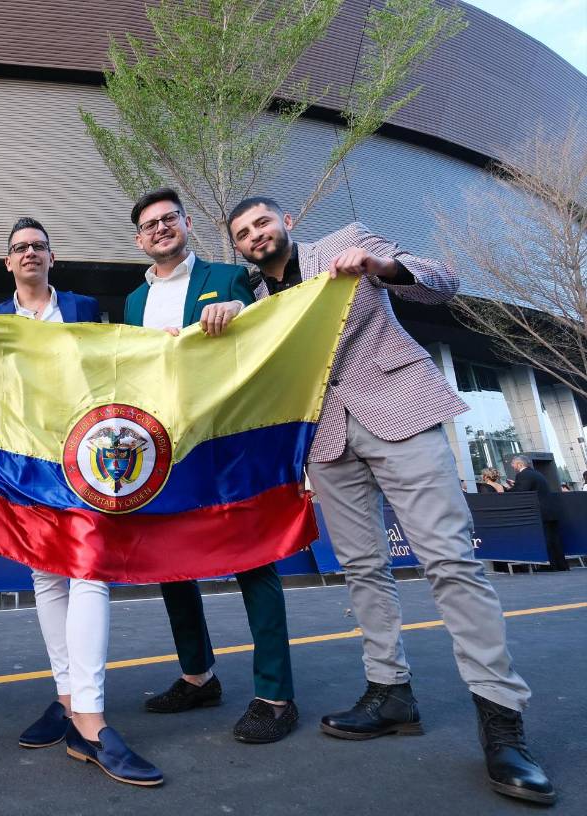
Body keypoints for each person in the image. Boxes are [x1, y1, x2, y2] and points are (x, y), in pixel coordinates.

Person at [225, 196, 555, 805]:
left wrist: (381, 266)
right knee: (360, 570)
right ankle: (390, 692)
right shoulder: (259, 305)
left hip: (399, 410)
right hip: (325, 443)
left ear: (285, 222)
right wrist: (226, 323)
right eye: (243, 233)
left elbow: (442, 284)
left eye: (262, 223)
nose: (255, 235)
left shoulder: (346, 242)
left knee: (450, 562)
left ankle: (502, 723)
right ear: (238, 247)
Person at [0, 217, 162, 786]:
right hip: (24, 462)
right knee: (47, 578)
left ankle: (90, 717)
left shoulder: (85, 307)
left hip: (83, 459)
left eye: (38, 246)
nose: (30, 253)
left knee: (89, 573)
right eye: (20, 249)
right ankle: (66, 699)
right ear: (7, 263)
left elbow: (119, 365)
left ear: (51, 258)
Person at [124, 188, 299, 744]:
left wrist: (241, 312)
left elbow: (271, 328)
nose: (159, 229)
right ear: (138, 239)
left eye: (168, 219)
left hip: (229, 444)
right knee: (172, 564)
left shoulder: (231, 278)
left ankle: (275, 695)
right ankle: (197, 677)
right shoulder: (132, 303)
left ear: (187, 224)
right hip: (164, 448)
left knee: (254, 562)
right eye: (149, 225)